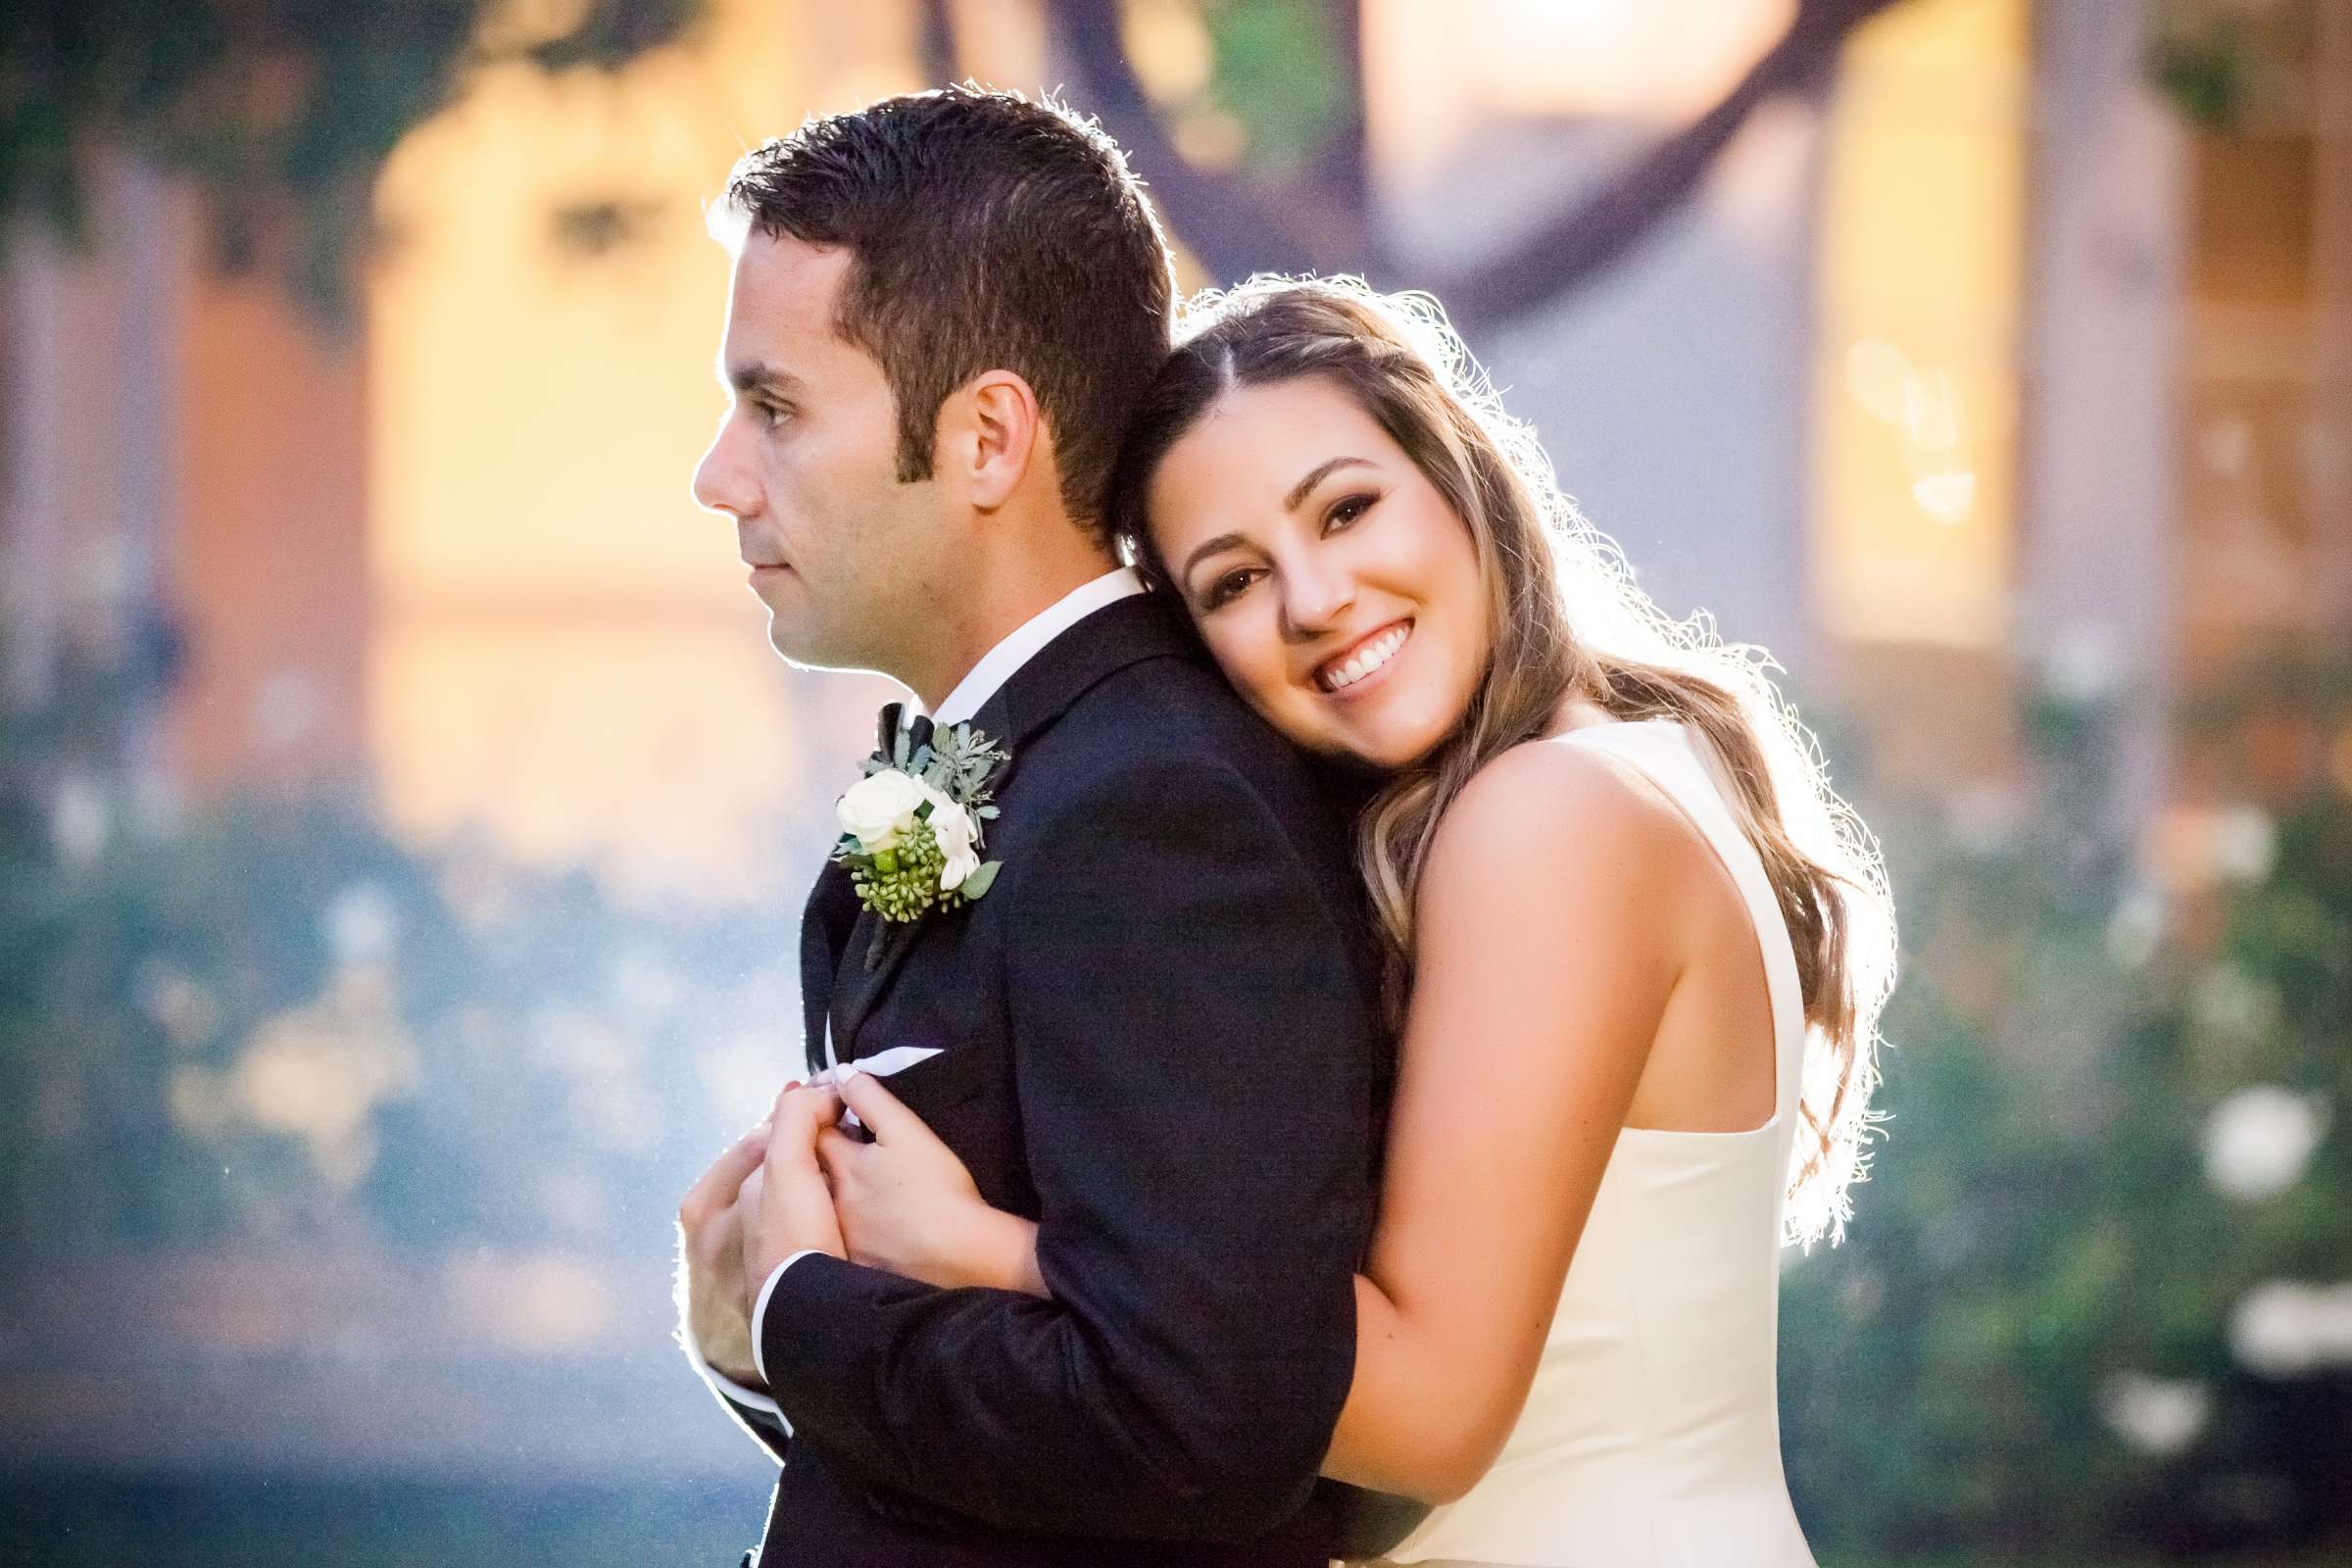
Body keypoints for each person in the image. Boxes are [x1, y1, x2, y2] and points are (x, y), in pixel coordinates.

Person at [769, 278, 1899, 1567]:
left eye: (1347, 509)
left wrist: (978, 1249)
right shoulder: (1609, 771)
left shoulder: (1544, 821)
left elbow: (1430, 1420)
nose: (1312, 599)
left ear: (1462, 478)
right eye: (1236, 579)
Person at [669, 91, 1423, 1568]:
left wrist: (796, 1309)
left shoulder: (1158, 814)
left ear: (988, 437)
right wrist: (769, 1352)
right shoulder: (1030, 766)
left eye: (776, 407)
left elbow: (1200, 1428)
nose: (721, 477)